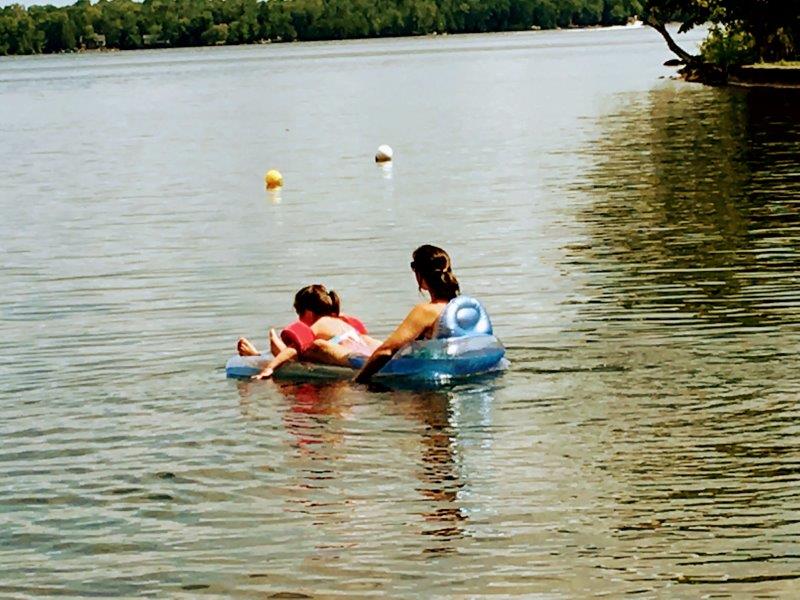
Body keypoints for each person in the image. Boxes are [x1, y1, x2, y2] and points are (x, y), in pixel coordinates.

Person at [355, 245, 460, 383]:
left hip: (425, 391)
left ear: (420, 275)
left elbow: (386, 352)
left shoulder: (427, 311)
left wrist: (357, 381)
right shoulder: (460, 308)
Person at [237, 284, 379, 380]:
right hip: (368, 353)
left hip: (356, 360)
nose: (298, 318)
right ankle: (262, 354)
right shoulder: (342, 323)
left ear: (308, 313)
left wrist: (269, 368)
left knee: (309, 349)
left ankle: (260, 356)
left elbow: (295, 348)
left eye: (299, 313)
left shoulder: (318, 325)